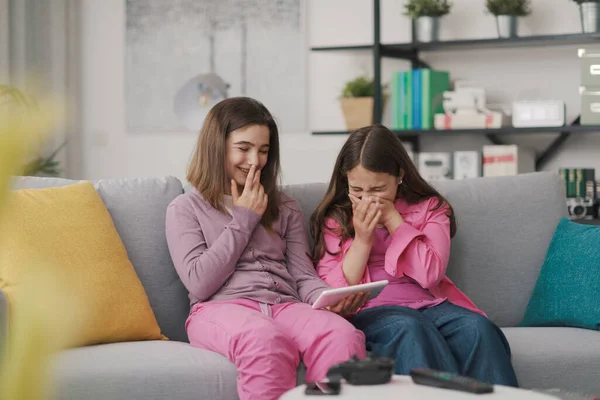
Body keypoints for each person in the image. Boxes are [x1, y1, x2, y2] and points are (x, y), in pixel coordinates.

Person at [165, 97, 367, 400]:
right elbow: (200, 283)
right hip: (221, 309)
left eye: (263, 150)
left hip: (286, 305)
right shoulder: (185, 208)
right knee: (266, 340)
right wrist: (244, 218)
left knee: (342, 335)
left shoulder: (285, 206)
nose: (255, 161)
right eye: (243, 148)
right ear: (216, 146)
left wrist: (328, 300)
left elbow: (302, 275)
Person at [310, 124, 519, 387]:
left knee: (478, 329)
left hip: (432, 306)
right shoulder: (336, 217)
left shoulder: (430, 208)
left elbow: (431, 274)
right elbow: (332, 291)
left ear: (399, 175)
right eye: (357, 191)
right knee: (409, 328)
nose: (366, 200)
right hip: (374, 311)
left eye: (377, 190)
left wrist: (395, 221)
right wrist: (362, 239)